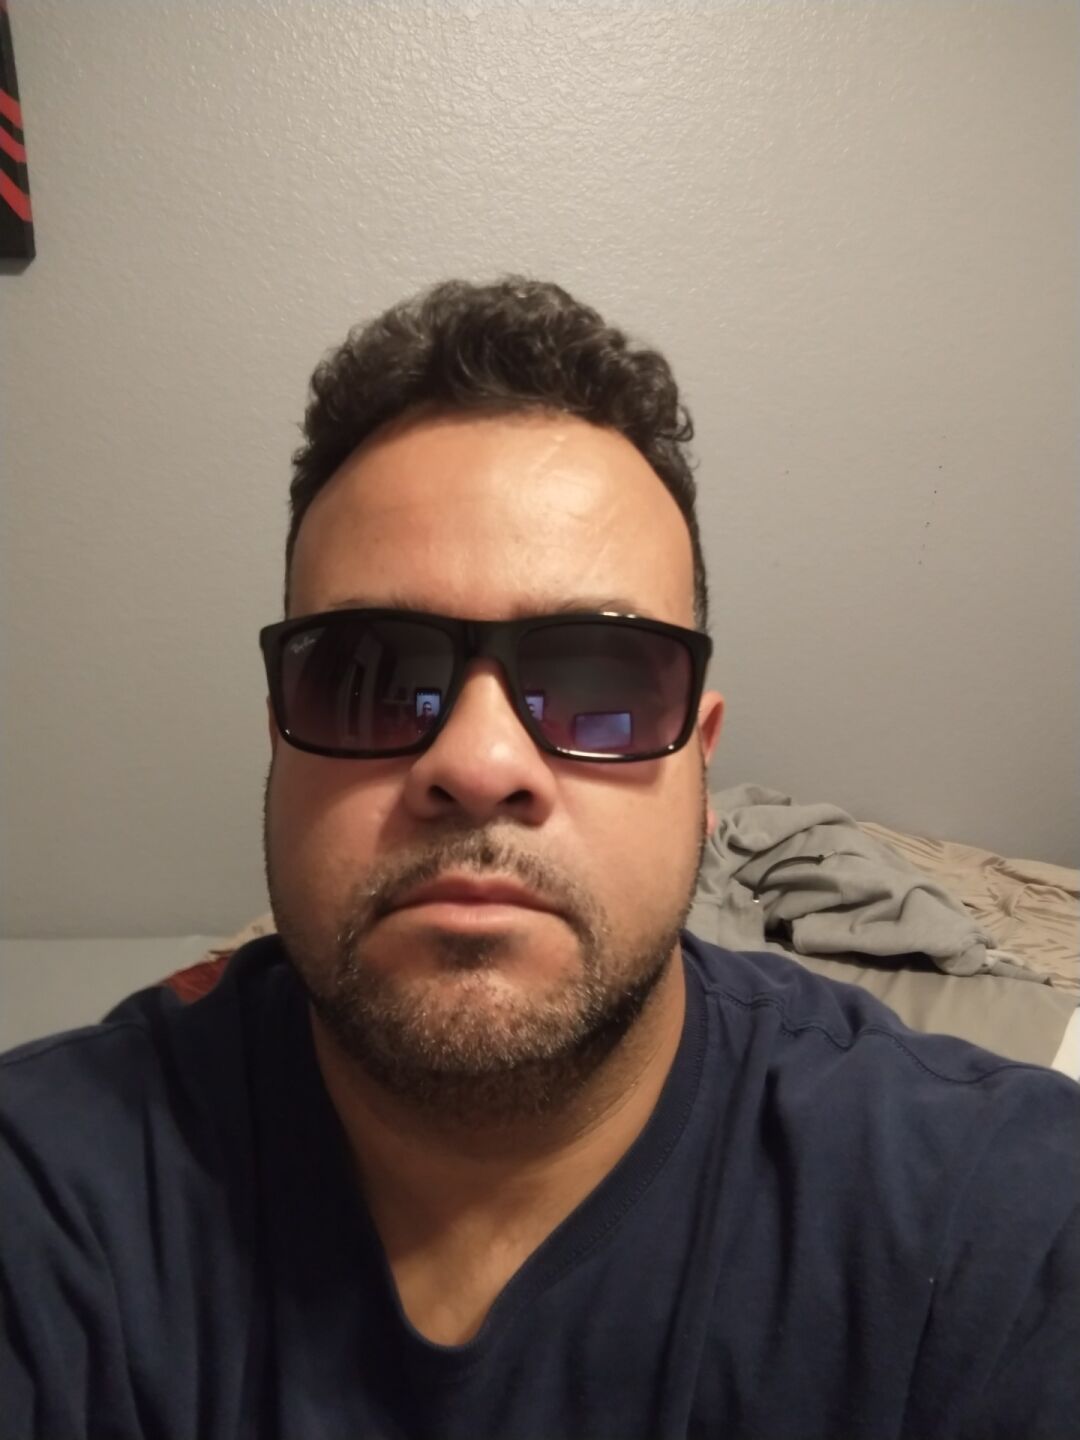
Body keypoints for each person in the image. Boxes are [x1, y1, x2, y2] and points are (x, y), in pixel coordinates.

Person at [1, 278, 1077, 1440]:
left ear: (700, 771)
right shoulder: (49, 1195)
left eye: (600, 686)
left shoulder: (995, 1213)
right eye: (370, 677)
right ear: (280, 739)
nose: (477, 763)